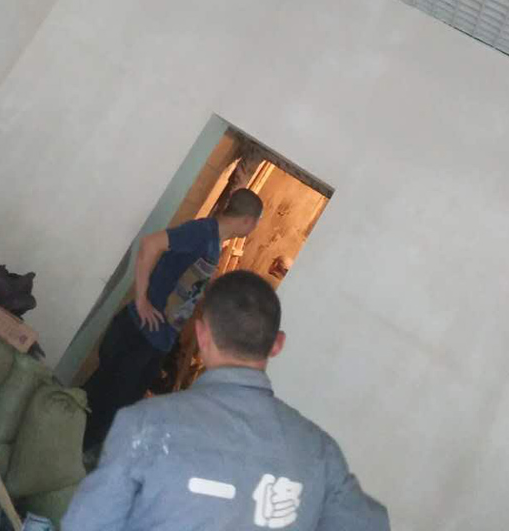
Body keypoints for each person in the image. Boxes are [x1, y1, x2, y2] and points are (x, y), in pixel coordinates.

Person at [64, 271, 390, 530]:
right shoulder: (320, 453)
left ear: (202, 335)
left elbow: (86, 524)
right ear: (277, 345)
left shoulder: (144, 425)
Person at [82, 189, 264, 451]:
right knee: (101, 408)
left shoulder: (214, 245)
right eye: (256, 222)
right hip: (139, 333)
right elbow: (150, 244)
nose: (254, 227)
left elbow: (194, 283)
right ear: (248, 220)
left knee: (115, 410)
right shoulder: (201, 232)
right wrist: (142, 299)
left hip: (157, 339)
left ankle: (78, 454)